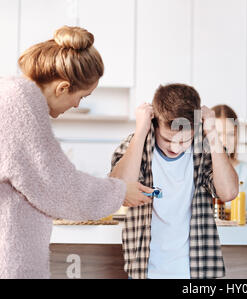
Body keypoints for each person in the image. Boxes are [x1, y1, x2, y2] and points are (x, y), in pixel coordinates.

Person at [0, 26, 153, 279]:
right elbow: (58, 185)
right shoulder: (20, 105)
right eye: (82, 97)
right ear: (62, 88)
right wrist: (121, 192)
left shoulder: (12, 94)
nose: (76, 105)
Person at [110, 84, 239, 279]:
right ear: (155, 123)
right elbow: (117, 189)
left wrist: (212, 133)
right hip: (144, 271)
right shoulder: (138, 143)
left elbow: (228, 192)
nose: (176, 149)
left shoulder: (204, 148)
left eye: (183, 140)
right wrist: (141, 130)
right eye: (167, 139)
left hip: (196, 271)